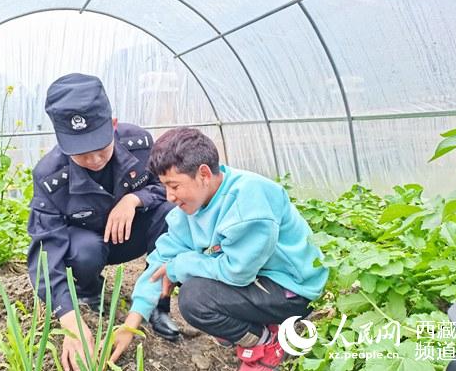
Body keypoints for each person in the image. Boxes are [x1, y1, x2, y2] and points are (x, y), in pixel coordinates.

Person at [110, 127, 329, 371]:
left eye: (174, 186)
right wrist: (129, 326)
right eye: (165, 187)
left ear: (203, 174)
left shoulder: (248, 202)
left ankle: (269, 343)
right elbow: (161, 260)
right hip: (260, 279)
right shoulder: (193, 206)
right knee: (192, 283)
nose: (169, 196)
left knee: (195, 298)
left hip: (293, 289)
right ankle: (262, 326)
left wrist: (180, 266)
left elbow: (237, 272)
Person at [27, 73, 179, 371]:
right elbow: (45, 254)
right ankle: (89, 292)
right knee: (84, 250)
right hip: (88, 246)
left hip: (132, 235)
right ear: (63, 143)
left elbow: (168, 188)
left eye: (101, 149)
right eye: (83, 155)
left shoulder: (139, 144)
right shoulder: (49, 176)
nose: (95, 160)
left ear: (113, 125)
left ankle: (158, 304)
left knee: (170, 216)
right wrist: (69, 320)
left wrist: (135, 199)